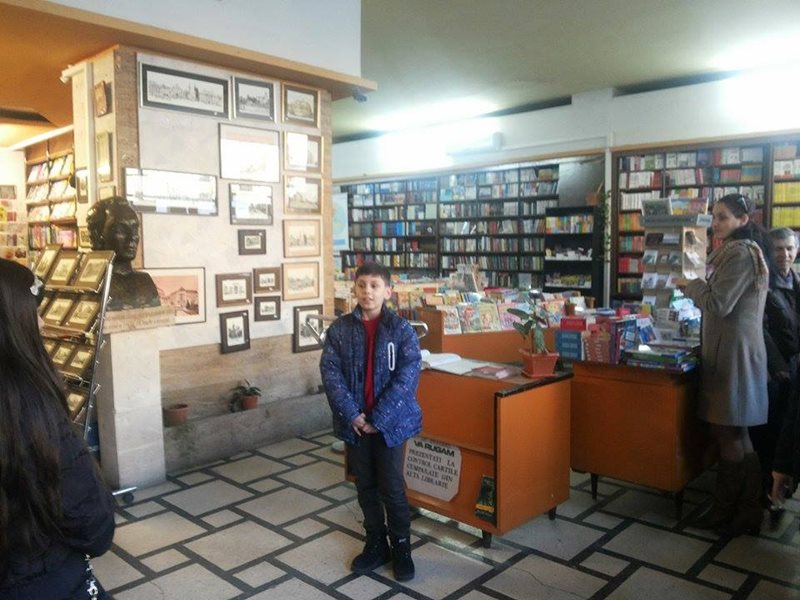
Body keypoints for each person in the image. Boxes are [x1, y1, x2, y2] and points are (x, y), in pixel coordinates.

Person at [0, 259, 116, 599]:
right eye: (33, 312)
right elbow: (93, 525)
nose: (42, 322)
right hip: (39, 580)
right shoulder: (27, 405)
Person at [320, 262, 422, 581]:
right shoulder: (340, 330)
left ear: (387, 291)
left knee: (392, 486)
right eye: (362, 285)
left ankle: (401, 547)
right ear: (355, 289)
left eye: (375, 286)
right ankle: (376, 543)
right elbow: (331, 373)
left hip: (390, 425)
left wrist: (379, 418)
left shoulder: (401, 330)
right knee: (365, 485)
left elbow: (408, 376)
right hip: (356, 424)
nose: (368, 292)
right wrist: (353, 414)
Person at [679, 193, 771, 536]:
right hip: (735, 351)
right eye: (714, 217)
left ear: (742, 220)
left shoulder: (740, 254)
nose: (715, 224)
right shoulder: (739, 251)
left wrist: (690, 285)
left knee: (727, 431)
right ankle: (748, 510)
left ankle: (725, 510)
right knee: (737, 432)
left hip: (733, 356)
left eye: (723, 217)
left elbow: (719, 304)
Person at [752, 227, 800, 510]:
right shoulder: (763, 284)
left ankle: (784, 487)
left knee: (790, 432)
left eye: (790, 248)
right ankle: (767, 492)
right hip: (774, 372)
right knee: (772, 433)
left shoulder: (796, 281)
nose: (785, 254)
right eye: (778, 249)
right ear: (769, 252)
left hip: (795, 367)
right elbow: (760, 329)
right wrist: (779, 367)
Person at [86, 196, 160, 311]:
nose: (132, 237)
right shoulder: (93, 284)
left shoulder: (145, 281)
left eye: (135, 229)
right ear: (98, 235)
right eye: (120, 230)